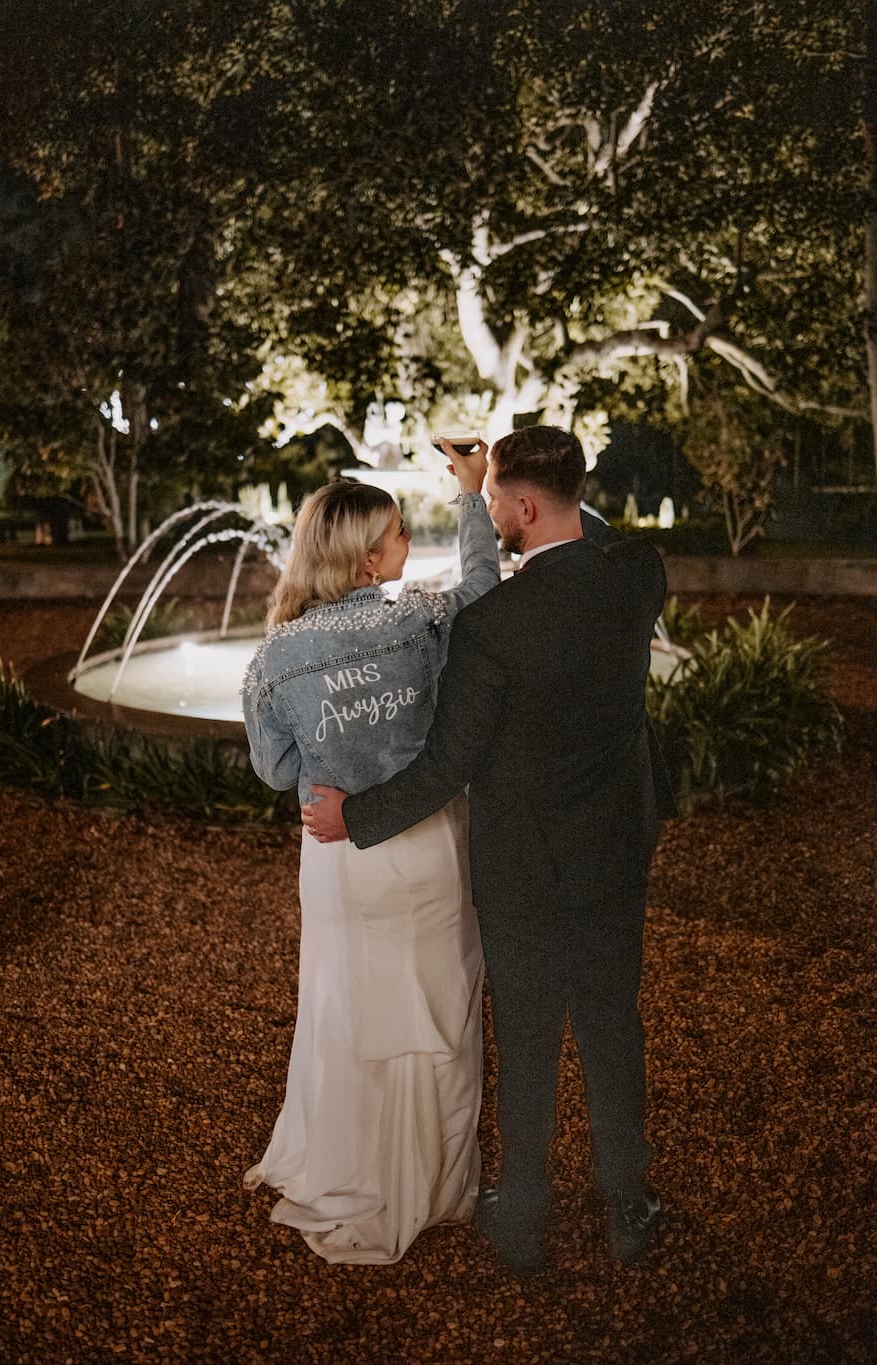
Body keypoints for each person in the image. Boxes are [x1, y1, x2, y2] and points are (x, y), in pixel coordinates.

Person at [305, 425, 677, 1273]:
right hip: (615, 846)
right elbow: (594, 533)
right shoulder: (636, 575)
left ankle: (525, 1209)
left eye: (500, 504)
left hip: (524, 866)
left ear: (520, 506)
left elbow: (447, 764)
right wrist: (503, 484)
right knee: (613, 1023)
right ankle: (628, 1202)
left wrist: (352, 816)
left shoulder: (494, 625)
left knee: (533, 1032)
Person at [240, 444, 501, 1265]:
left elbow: (274, 766)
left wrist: (334, 769)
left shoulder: (272, 655)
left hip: (337, 851)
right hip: (425, 842)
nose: (403, 546)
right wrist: (472, 497)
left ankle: (349, 1166)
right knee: (436, 1011)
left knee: (346, 1008)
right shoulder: (416, 619)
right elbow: (485, 594)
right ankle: (437, 1184)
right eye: (393, 534)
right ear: (364, 556)